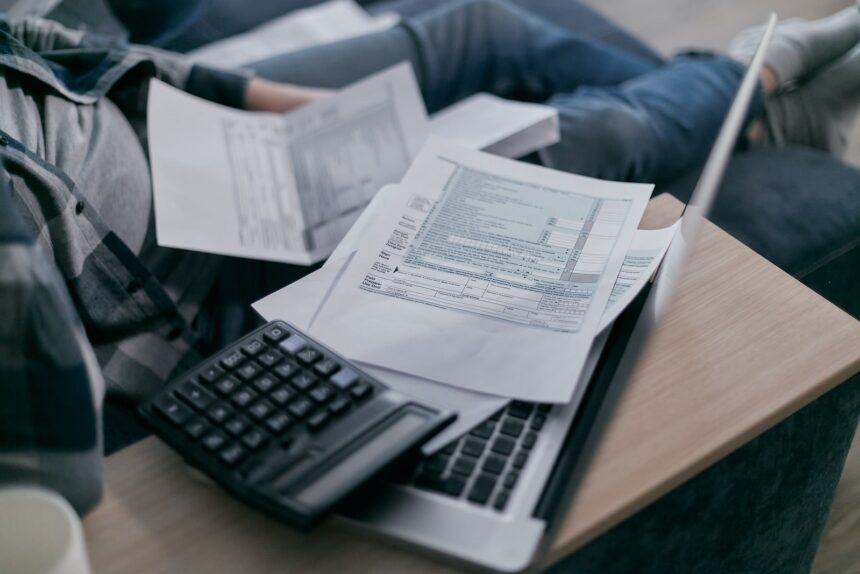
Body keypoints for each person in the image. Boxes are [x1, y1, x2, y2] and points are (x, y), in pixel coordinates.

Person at [1, 0, 858, 515]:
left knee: (476, 27)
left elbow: (37, 41)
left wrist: (258, 104)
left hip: (195, 141)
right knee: (590, 142)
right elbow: (59, 485)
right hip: (196, 295)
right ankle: (757, 83)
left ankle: (740, 110)